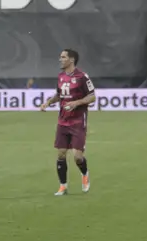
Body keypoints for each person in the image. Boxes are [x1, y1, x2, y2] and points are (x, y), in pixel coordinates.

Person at [39, 49, 97, 196]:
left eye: (63, 57)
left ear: (71, 60)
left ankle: (85, 174)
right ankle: (63, 186)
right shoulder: (61, 76)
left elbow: (92, 97)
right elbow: (59, 95)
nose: (60, 59)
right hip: (63, 120)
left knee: (77, 156)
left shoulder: (82, 77)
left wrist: (76, 103)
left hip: (78, 121)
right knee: (61, 154)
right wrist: (48, 102)